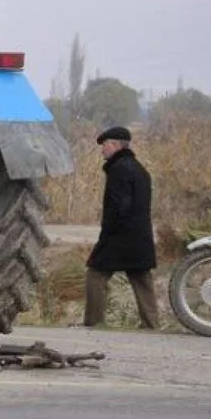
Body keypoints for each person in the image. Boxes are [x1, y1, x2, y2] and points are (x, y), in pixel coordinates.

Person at [82, 126, 159, 328]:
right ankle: (152, 324)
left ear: (115, 145)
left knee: (95, 273)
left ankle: (93, 322)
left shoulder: (119, 169)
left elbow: (119, 206)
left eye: (105, 145)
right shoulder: (139, 169)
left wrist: (107, 233)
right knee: (141, 277)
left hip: (119, 236)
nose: (102, 150)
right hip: (140, 235)